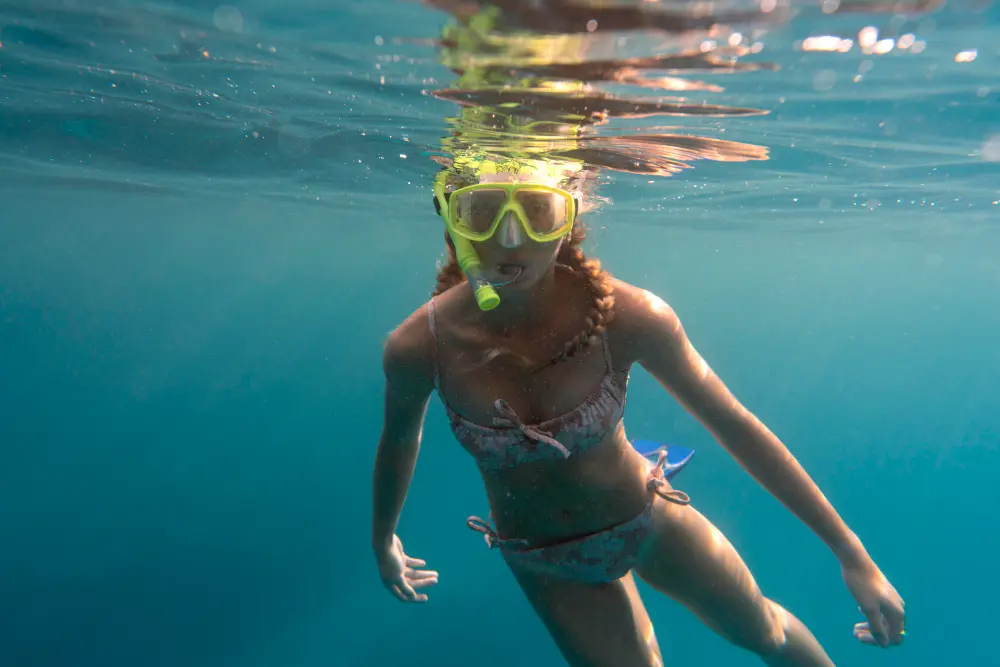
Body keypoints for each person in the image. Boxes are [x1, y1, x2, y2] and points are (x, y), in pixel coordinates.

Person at [371, 151, 905, 667]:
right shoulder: (420, 347)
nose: (511, 239)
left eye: (538, 212)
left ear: (569, 217)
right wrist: (383, 538)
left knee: (764, 631)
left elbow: (735, 425)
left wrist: (850, 551)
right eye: (483, 213)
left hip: (648, 518)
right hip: (545, 559)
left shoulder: (630, 317)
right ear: (452, 217)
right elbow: (399, 440)